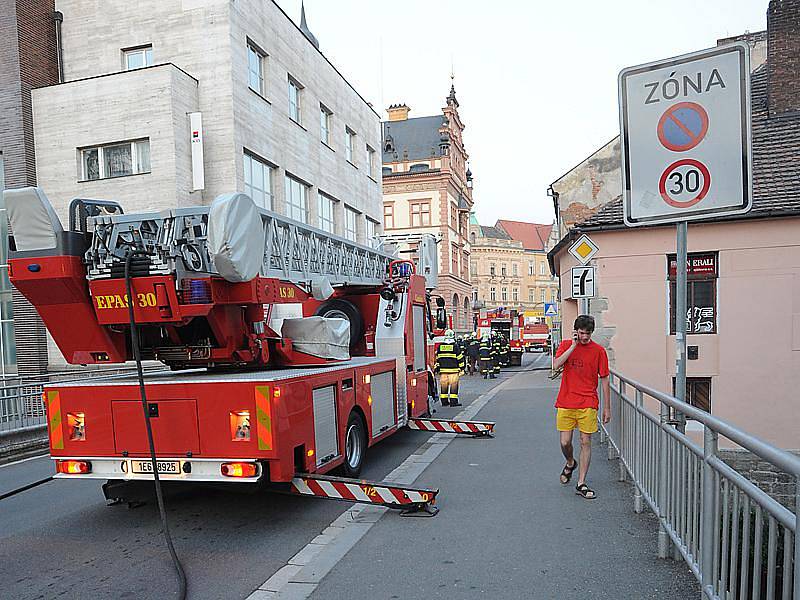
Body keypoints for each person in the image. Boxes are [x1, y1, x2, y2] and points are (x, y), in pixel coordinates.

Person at [552, 315, 610, 500]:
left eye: (588, 334)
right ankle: (570, 462)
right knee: (565, 442)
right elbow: (556, 365)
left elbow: (605, 379)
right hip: (566, 401)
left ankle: (581, 482)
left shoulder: (599, 351)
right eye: (582, 333)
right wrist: (573, 346)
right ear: (576, 331)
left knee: (585, 442)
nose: (585, 337)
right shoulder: (566, 345)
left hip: (588, 402)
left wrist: (606, 407)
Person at [435, 330, 463, 406]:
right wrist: (462, 368)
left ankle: (444, 402)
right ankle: (453, 402)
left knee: (444, 386)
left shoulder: (440, 346)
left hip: (443, 371)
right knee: (453, 386)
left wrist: (437, 369)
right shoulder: (455, 346)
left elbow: (437, 359)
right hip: (453, 371)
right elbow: (460, 358)